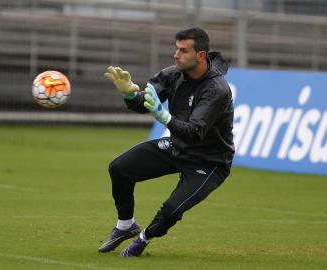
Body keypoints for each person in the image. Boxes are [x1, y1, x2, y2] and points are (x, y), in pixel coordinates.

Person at [98, 28, 235, 257]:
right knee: (120, 168)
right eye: (176, 48)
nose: (176, 54)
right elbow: (146, 103)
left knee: (171, 210)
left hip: (210, 161)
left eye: (183, 50)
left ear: (200, 56)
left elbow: (194, 132)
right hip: (177, 146)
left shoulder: (217, 90)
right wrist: (131, 95)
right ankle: (125, 225)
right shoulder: (172, 74)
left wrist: (164, 117)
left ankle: (144, 238)